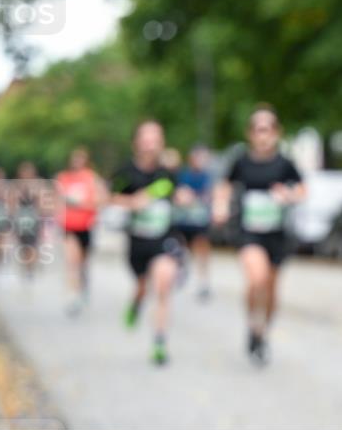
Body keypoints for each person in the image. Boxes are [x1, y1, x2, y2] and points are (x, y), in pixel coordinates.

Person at [213, 106, 305, 367]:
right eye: (257, 129)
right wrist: (220, 206)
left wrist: (288, 195)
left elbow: (302, 190)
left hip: (277, 235)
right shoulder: (241, 162)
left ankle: (261, 332)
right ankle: (252, 323)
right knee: (257, 278)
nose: (262, 135)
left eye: (268, 129)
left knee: (272, 289)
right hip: (249, 232)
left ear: (276, 133)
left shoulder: (285, 163)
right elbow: (224, 186)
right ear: (250, 134)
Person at [111, 120, 194, 366]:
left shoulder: (167, 172)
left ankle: (159, 341)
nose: (151, 144)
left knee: (163, 284)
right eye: (146, 138)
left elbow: (178, 193)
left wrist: (184, 198)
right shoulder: (125, 172)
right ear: (136, 143)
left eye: (156, 138)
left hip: (163, 239)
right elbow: (106, 198)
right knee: (141, 287)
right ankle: (136, 304)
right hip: (137, 242)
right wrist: (131, 202)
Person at [56, 147, 107, 316]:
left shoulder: (92, 178)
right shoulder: (63, 178)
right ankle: (73, 296)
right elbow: (57, 198)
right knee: (72, 262)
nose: (77, 162)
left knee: (83, 263)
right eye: (75, 158)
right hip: (69, 226)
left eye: (81, 159)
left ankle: (83, 285)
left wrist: (86, 205)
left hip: (86, 226)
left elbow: (100, 199)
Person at [174, 145, 215, 301]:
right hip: (183, 221)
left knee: (202, 249)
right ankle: (181, 272)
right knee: (181, 248)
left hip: (200, 220)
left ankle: (203, 281)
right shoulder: (183, 175)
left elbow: (210, 195)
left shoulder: (207, 176)